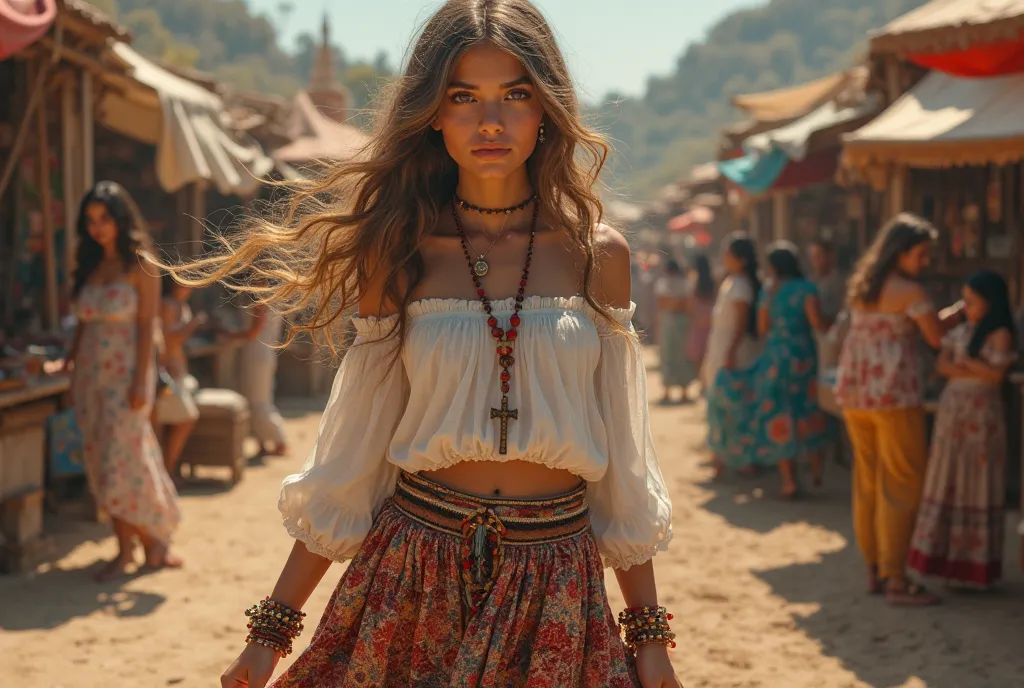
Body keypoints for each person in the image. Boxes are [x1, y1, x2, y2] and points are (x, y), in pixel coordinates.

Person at [169, 3, 679, 686]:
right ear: (433, 113)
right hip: (414, 575)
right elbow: (352, 457)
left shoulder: (598, 256)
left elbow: (623, 463)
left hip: (556, 579)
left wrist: (648, 638)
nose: (490, 122)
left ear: (547, 110)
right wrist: (271, 632)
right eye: (463, 97)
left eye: (515, 95)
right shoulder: (400, 255)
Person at [835, 212, 966, 606]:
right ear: (901, 253)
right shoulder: (912, 293)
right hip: (894, 396)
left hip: (856, 396)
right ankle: (897, 579)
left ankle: (874, 570)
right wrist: (958, 314)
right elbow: (935, 337)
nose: (925, 262)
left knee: (869, 482)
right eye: (921, 254)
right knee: (902, 484)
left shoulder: (862, 287)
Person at [65, 181, 182, 581]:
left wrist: (139, 382)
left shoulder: (141, 264)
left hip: (127, 377)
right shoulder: (91, 266)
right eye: (90, 220)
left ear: (120, 218)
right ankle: (139, 545)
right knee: (101, 461)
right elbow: (83, 324)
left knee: (126, 461)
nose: (98, 227)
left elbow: (148, 326)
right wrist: (69, 364)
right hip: (89, 379)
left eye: (104, 218)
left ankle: (141, 543)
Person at [908, 270, 1016, 590]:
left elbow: (995, 376)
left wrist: (966, 364)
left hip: (981, 415)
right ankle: (945, 561)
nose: (965, 306)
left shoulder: (1000, 333)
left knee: (976, 479)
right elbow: (942, 363)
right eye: (963, 300)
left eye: (971, 301)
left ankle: (973, 565)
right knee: (948, 476)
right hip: (954, 410)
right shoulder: (965, 327)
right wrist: (970, 364)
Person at [708, 242, 829, 497]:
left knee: (780, 412)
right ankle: (817, 476)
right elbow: (817, 323)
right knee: (808, 408)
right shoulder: (807, 288)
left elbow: (763, 328)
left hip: (775, 356)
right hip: (803, 356)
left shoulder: (770, 291)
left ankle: (789, 481)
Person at [703, 233, 761, 475]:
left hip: (733, 352)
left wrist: (729, 353)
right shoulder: (732, 282)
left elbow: (740, 325)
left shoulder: (740, 286)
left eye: (728, 253)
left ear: (742, 259)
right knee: (724, 405)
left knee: (733, 406)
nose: (724, 257)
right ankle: (722, 457)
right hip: (722, 348)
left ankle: (737, 459)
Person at [156, 274, 206, 483]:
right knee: (184, 419)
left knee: (172, 422)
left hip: (178, 371)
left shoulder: (181, 305)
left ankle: (169, 471)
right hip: (168, 373)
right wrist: (193, 325)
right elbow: (168, 340)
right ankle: (166, 473)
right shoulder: (168, 305)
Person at [228, 297, 289, 457]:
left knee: (259, 402)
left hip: (258, 354)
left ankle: (279, 441)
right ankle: (262, 443)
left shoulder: (263, 298)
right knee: (253, 400)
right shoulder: (264, 296)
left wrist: (227, 335)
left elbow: (253, 331)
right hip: (258, 353)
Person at [655, 258, 696, 404]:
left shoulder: (664, 283)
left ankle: (668, 392)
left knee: (669, 355)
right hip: (681, 321)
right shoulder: (685, 284)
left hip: (669, 321)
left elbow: (663, 303)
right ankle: (683, 392)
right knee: (680, 355)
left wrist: (672, 303)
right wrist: (677, 303)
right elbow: (685, 304)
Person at [685, 254, 715, 385]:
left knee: (697, 355)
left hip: (698, 324)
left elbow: (690, 305)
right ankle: (705, 382)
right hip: (711, 323)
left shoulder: (694, 282)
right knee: (708, 354)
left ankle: (702, 382)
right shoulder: (714, 282)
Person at [808, 239, 845, 325]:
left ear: (830, 256)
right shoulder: (810, 282)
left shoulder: (840, 282)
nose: (815, 261)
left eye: (818, 256)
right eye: (812, 257)